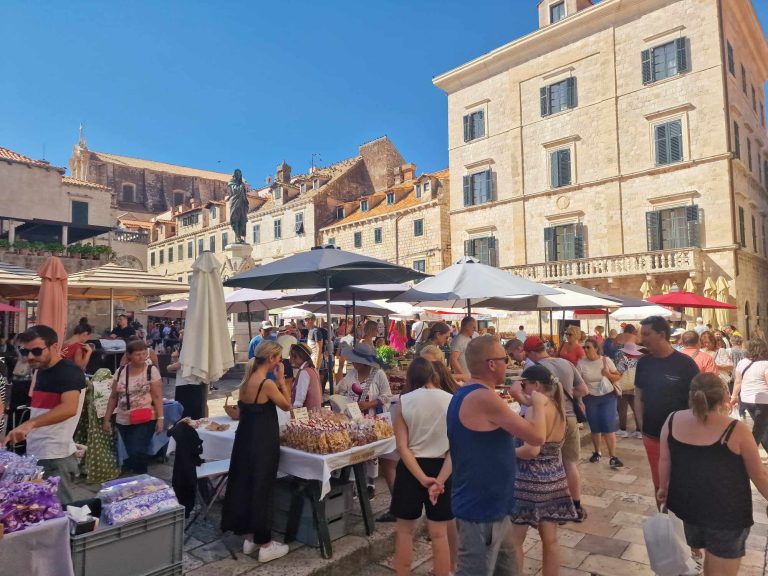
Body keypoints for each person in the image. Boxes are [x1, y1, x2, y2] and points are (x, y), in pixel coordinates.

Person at [446, 335, 547, 576]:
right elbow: (537, 436)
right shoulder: (484, 397)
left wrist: (520, 400)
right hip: (482, 511)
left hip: (495, 508)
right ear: (492, 364)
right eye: (504, 358)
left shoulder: (469, 393)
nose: (509, 363)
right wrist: (539, 403)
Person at [658, 373, 768, 576]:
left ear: (691, 396)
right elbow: (759, 475)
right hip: (726, 515)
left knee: (711, 562)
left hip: (688, 509)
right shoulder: (736, 430)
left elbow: (665, 460)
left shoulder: (672, 420)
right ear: (725, 398)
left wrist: (663, 489)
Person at [221, 341, 292, 562]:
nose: (280, 362)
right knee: (262, 487)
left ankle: (250, 537)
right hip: (262, 441)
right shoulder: (266, 384)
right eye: (279, 358)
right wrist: (281, 381)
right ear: (271, 359)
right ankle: (265, 543)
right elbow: (287, 405)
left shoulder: (245, 381)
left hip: (245, 440)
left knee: (248, 484)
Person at [4, 325, 86, 504]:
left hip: (55, 456)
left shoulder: (68, 371)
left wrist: (30, 424)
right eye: (25, 351)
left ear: (53, 347)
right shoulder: (41, 370)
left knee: (59, 512)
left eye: (36, 351)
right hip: (38, 451)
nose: (30, 356)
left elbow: (69, 408)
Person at [510, 364, 577, 576]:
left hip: (529, 480)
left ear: (536, 385)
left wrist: (506, 454)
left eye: (525, 384)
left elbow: (531, 450)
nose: (524, 387)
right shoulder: (558, 406)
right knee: (550, 540)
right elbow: (533, 403)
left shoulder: (534, 410)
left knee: (514, 542)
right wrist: (519, 394)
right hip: (554, 478)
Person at [391, 358, 455, 576]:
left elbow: (402, 446)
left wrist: (421, 477)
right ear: (433, 375)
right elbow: (455, 449)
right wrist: (440, 481)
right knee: (439, 533)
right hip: (442, 468)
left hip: (411, 469)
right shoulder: (452, 400)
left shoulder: (404, 401)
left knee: (404, 532)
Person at [524, 336, 589, 520]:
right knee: (570, 464)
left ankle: (554, 508)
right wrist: (566, 398)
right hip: (569, 418)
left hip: (549, 419)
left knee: (550, 465)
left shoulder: (534, 369)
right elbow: (583, 390)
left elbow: (531, 399)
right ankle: (576, 506)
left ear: (531, 353)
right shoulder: (566, 363)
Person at [634, 316, 699, 497]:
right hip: (652, 435)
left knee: (682, 483)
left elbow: (695, 401)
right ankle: (665, 520)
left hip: (680, 437)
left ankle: (682, 522)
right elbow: (638, 395)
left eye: (646, 334)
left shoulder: (686, 364)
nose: (642, 338)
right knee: (659, 484)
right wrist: (642, 425)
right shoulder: (644, 362)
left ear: (661, 334)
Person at [103, 340, 163, 474]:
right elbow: (113, 396)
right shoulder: (120, 372)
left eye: (143, 354)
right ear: (129, 355)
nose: (142, 357)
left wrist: (160, 418)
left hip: (146, 417)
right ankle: (135, 472)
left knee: (138, 450)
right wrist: (107, 419)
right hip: (123, 418)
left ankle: (141, 476)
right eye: (138, 354)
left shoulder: (150, 371)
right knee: (131, 449)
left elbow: (157, 396)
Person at [578, 338, 624, 468]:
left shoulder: (606, 360)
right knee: (595, 427)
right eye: (584, 347)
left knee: (608, 426)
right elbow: (578, 381)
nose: (586, 350)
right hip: (590, 397)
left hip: (607, 396)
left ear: (596, 348)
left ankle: (613, 457)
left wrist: (608, 374)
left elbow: (618, 376)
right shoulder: (581, 363)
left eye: (588, 347)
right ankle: (597, 452)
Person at [730, 338, 768, 451]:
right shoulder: (766, 364)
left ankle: (752, 449)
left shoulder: (742, 362)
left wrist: (734, 396)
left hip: (746, 399)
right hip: (762, 399)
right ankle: (750, 450)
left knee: (760, 425)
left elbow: (737, 382)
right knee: (760, 427)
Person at [614, 341, 645, 439]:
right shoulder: (640, 361)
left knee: (622, 408)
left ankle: (622, 430)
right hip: (635, 387)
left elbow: (618, 373)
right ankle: (639, 430)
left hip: (624, 387)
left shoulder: (623, 360)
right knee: (636, 408)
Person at [167, 350, 207, 419]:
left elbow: (177, 366)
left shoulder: (188, 346)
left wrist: (169, 367)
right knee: (196, 414)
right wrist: (175, 359)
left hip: (186, 385)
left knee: (185, 416)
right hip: (194, 383)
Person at [288, 343, 322, 410]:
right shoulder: (313, 370)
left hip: (307, 415)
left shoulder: (304, 372)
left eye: (292, 356)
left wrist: (294, 412)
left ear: (299, 356)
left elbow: (299, 401)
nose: (291, 360)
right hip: (315, 412)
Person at [449, 317, 475, 381]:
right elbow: (453, 359)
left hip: (469, 378)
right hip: (464, 380)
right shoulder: (459, 339)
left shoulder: (467, 338)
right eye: (473, 327)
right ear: (467, 327)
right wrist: (463, 376)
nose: (474, 329)